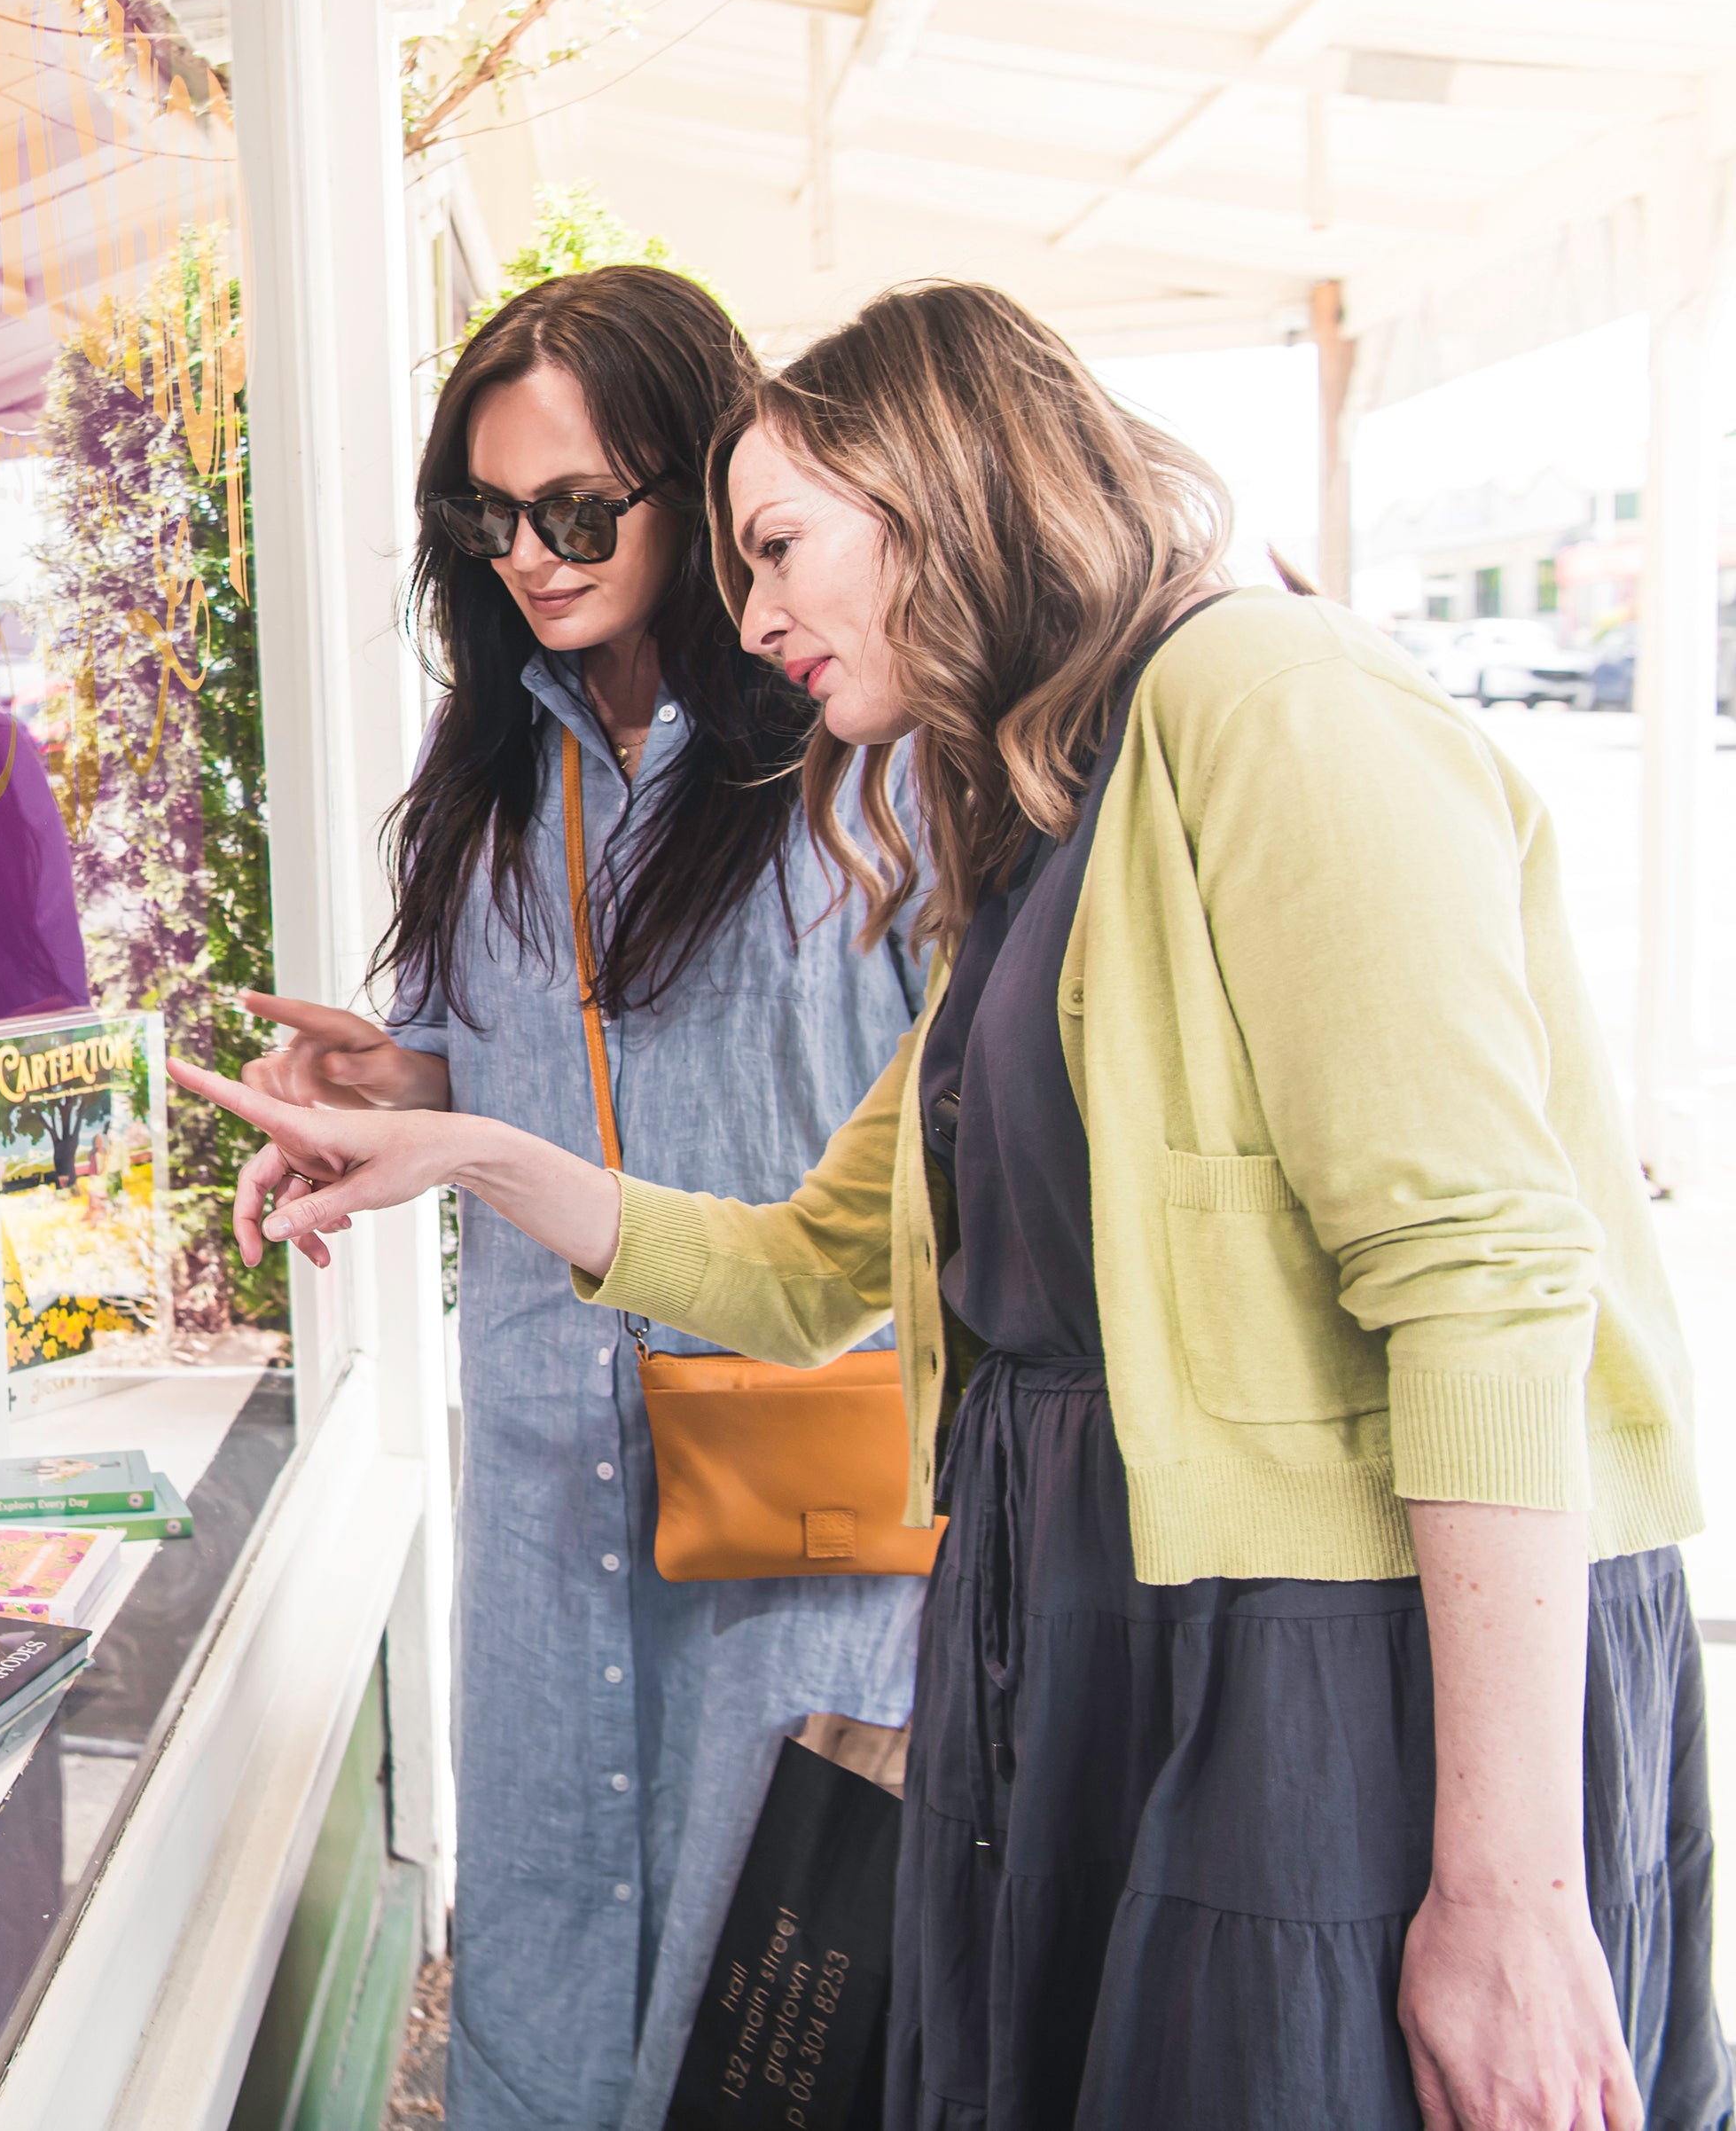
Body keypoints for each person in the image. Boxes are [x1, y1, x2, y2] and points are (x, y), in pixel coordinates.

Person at [179, 280, 1722, 2129]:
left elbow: (1477, 1281)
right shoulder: (1033, 818)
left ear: (938, 483)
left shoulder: (1270, 697)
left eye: (771, 544)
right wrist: (466, 1141)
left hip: (1311, 1670)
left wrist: (1506, 1893)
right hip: (1112, 1646)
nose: (749, 614)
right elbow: (802, 1260)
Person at [233, 264, 924, 2127]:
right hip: (548, 1474)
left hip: (807, 1492)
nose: (527, 556)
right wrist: (389, 1087)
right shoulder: (482, 773)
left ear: (695, 486)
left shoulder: (859, 758)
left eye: (573, 510)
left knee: (786, 2007)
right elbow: (489, 1062)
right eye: (484, 516)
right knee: (541, 1961)